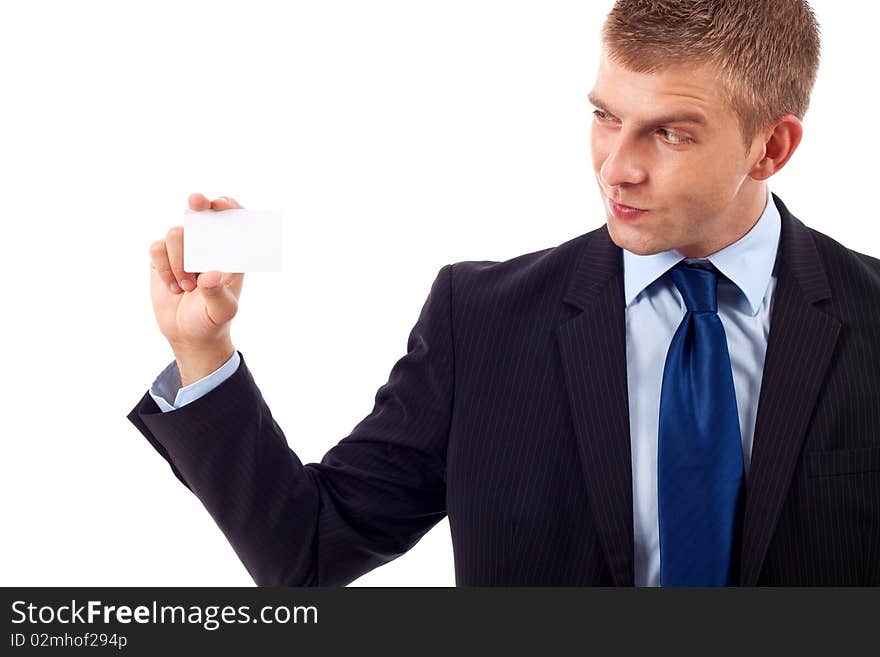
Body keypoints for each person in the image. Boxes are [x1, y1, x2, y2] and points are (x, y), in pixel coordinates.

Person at [128, 0, 880, 586]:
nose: (615, 167)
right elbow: (308, 550)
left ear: (771, 147)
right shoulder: (480, 321)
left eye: (671, 134)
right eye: (605, 117)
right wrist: (202, 348)